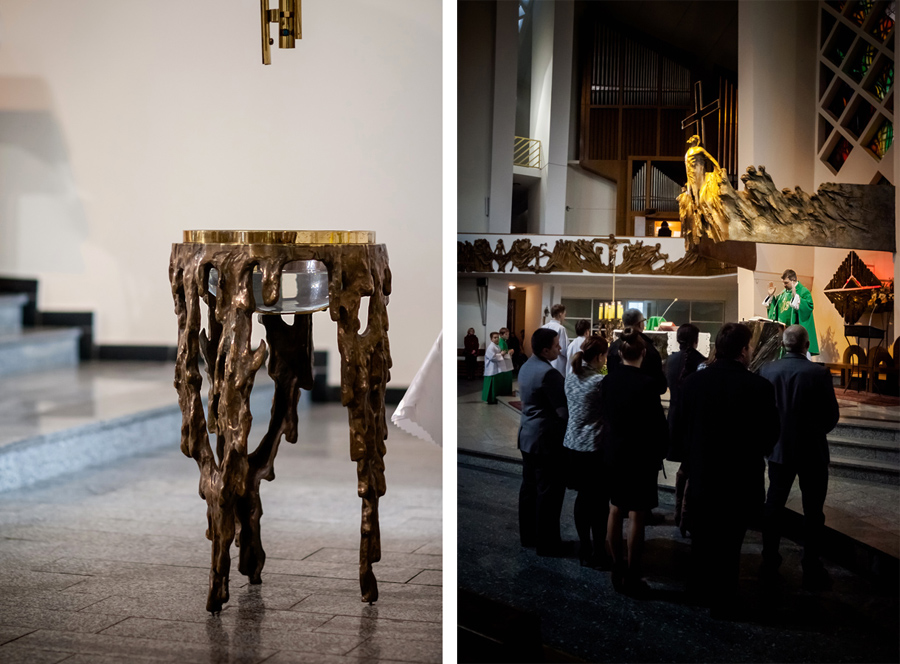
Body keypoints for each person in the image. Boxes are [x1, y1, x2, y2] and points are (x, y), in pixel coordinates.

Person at [670, 322, 779, 616]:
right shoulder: (759, 387)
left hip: (704, 474)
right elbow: (770, 434)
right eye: (750, 346)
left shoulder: (693, 382)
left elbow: (679, 428)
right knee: (731, 544)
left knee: (702, 539)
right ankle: (723, 599)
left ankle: (698, 590)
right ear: (743, 351)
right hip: (740, 479)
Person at [760, 325, 840, 591]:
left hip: (779, 449)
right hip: (811, 451)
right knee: (813, 510)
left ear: (783, 345)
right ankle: (811, 563)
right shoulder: (818, 373)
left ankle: (769, 559)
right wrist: (814, 432)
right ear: (806, 346)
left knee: (774, 505)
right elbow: (831, 416)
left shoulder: (767, 370)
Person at [600, 328, 669, 595]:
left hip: (615, 451)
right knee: (637, 514)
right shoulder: (649, 384)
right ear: (643, 353)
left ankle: (617, 565)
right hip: (641, 455)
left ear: (619, 354)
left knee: (615, 508)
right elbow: (656, 423)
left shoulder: (608, 382)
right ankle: (633, 571)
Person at [518, 327, 569, 556]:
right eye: (557, 345)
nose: (560, 348)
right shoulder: (550, 374)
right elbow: (562, 411)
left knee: (529, 489)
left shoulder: (527, 366)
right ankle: (547, 543)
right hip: (545, 439)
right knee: (549, 493)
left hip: (527, 436)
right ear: (545, 349)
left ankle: (528, 536)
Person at [563, 335, 611, 568]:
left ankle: (584, 545)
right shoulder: (599, 382)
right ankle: (599, 550)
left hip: (572, 445)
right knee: (600, 502)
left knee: (582, 497)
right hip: (594, 446)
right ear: (600, 356)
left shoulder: (571, 376)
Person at [665, 324, 706, 537]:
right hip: (693, 421)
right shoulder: (703, 363)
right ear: (696, 340)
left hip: (674, 418)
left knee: (684, 467)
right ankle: (685, 513)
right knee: (691, 467)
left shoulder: (670, 361)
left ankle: (678, 510)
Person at [607, 309, 667, 395]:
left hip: (617, 397)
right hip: (644, 398)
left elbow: (611, 372)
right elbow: (660, 384)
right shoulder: (648, 347)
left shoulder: (613, 347)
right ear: (640, 324)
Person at [764, 269, 819, 356]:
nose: (784, 285)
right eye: (783, 283)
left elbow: (808, 307)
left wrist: (796, 298)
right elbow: (774, 310)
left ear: (793, 281)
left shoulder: (803, 292)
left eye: (786, 283)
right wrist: (771, 296)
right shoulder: (782, 294)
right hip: (784, 335)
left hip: (796, 337)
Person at [542, 304, 569, 375]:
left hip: (545, 359)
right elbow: (563, 349)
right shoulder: (561, 328)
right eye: (564, 314)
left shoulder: (543, 327)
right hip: (557, 362)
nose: (564, 317)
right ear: (560, 314)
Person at [482, 332, 504, 405]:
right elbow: (492, 357)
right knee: (490, 386)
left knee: (494, 385)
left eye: (497, 337)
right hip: (490, 370)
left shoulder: (497, 346)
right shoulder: (491, 347)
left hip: (495, 368)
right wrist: (501, 354)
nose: (497, 339)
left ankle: (494, 399)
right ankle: (490, 400)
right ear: (491, 339)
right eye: (495, 337)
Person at [495, 328, 515, 396]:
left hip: (506, 361)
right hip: (503, 362)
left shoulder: (504, 341)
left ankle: (507, 391)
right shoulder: (501, 341)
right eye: (506, 334)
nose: (508, 336)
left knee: (508, 376)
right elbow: (502, 351)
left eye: (508, 334)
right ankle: (505, 392)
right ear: (501, 334)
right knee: (506, 376)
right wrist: (509, 351)